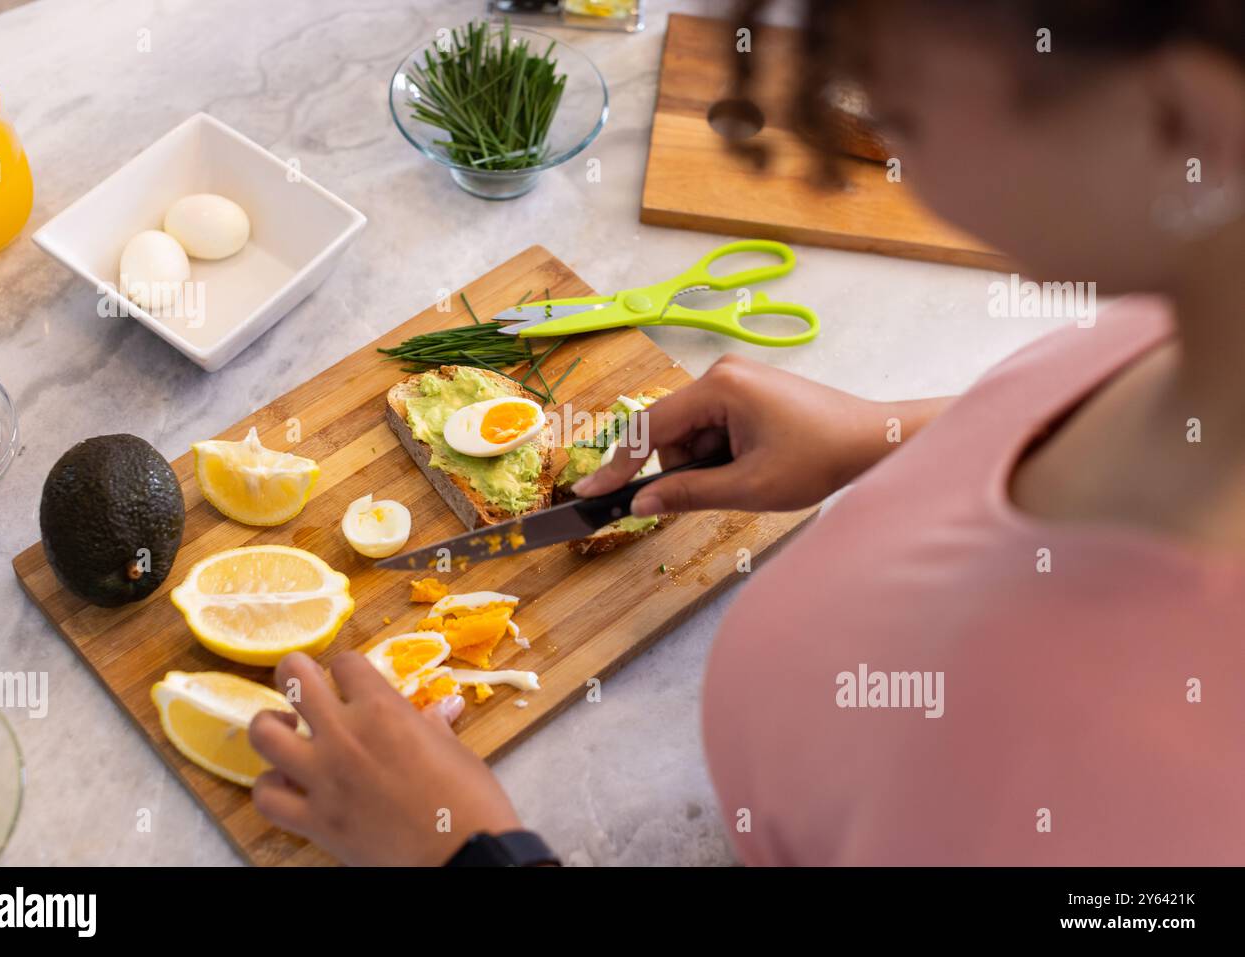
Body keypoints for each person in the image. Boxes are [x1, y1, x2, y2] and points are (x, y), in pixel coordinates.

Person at [247, 0, 1245, 865]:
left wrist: (464, 855)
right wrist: (885, 435)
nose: (828, 80)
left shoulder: (1163, 778)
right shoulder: (1190, 306)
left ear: (1178, 116)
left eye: (884, 62)